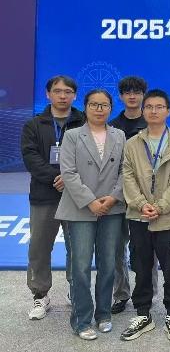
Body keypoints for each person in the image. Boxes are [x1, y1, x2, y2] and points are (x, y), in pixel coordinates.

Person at [55, 89, 126, 340]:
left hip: (112, 208)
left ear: (111, 108)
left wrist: (113, 197)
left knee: (108, 264)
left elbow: (125, 171)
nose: (99, 109)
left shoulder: (119, 135)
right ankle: (82, 320)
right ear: (85, 107)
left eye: (104, 105)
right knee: (81, 267)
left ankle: (104, 314)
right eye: (94, 104)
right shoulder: (73, 135)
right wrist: (91, 202)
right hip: (80, 208)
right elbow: (69, 173)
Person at [120, 89, 170, 341]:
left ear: (168, 111)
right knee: (141, 266)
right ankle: (143, 314)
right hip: (139, 216)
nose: (153, 111)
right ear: (143, 110)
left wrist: (160, 207)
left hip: (168, 217)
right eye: (149, 107)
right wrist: (141, 204)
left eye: (159, 107)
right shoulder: (132, 143)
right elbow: (127, 176)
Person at [21, 75, 85, 320]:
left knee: (77, 247)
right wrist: (56, 178)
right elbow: (31, 157)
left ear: (74, 95)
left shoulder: (84, 122)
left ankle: (75, 290)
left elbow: (91, 156)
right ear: (48, 94)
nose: (62, 95)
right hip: (43, 195)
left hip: (76, 195)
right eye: (57, 91)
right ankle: (40, 295)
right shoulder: (34, 125)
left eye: (68, 91)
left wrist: (69, 179)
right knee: (39, 247)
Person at [108, 76, 152, 315]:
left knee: (145, 249)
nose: (132, 96)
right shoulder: (112, 126)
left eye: (136, 92)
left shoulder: (152, 123)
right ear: (121, 96)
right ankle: (121, 293)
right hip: (116, 196)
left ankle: (148, 292)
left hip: (143, 197)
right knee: (117, 248)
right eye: (127, 92)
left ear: (143, 95)